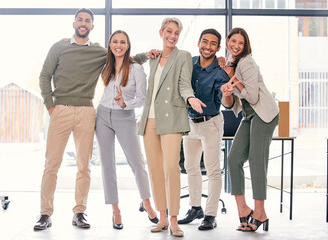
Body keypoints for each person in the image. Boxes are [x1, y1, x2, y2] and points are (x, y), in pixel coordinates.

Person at [34, 8, 157, 231]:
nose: (83, 23)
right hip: (60, 109)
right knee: (51, 164)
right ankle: (45, 213)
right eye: (79, 19)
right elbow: (44, 76)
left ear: (92, 26)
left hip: (87, 112)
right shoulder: (59, 47)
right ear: (73, 24)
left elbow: (123, 58)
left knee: (84, 166)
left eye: (87, 20)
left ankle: (79, 211)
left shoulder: (100, 52)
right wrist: (51, 106)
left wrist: (146, 56)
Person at [138, 17, 205, 238]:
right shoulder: (153, 58)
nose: (173, 36)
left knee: (171, 168)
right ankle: (163, 218)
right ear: (161, 32)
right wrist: (143, 115)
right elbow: (151, 90)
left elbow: (184, 84)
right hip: (150, 121)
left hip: (172, 118)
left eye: (176, 33)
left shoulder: (183, 56)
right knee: (156, 170)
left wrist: (190, 98)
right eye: (169, 31)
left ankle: (175, 220)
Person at [95, 30, 158, 230]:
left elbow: (143, 98)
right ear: (110, 45)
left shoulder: (137, 69)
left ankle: (146, 202)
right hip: (103, 115)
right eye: (115, 42)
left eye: (123, 42)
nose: (118, 45)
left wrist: (124, 103)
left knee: (137, 162)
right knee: (107, 164)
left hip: (125, 116)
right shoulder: (106, 66)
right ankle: (115, 210)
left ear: (128, 45)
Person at [220, 27, 279, 232]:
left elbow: (253, 97)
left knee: (256, 160)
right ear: (228, 41)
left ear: (246, 46)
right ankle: (243, 209)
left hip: (264, 114)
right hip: (248, 115)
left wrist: (232, 78)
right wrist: (227, 90)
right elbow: (228, 105)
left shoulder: (247, 63)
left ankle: (260, 212)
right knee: (233, 159)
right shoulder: (231, 64)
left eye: (241, 43)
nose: (236, 46)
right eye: (233, 41)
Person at [177, 29, 235, 231]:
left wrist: (227, 92)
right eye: (205, 42)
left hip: (211, 123)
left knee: (212, 170)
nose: (208, 46)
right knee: (191, 167)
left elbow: (227, 102)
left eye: (213, 44)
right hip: (190, 123)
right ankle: (195, 208)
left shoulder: (220, 73)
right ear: (199, 42)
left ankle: (210, 215)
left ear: (218, 48)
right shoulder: (189, 63)